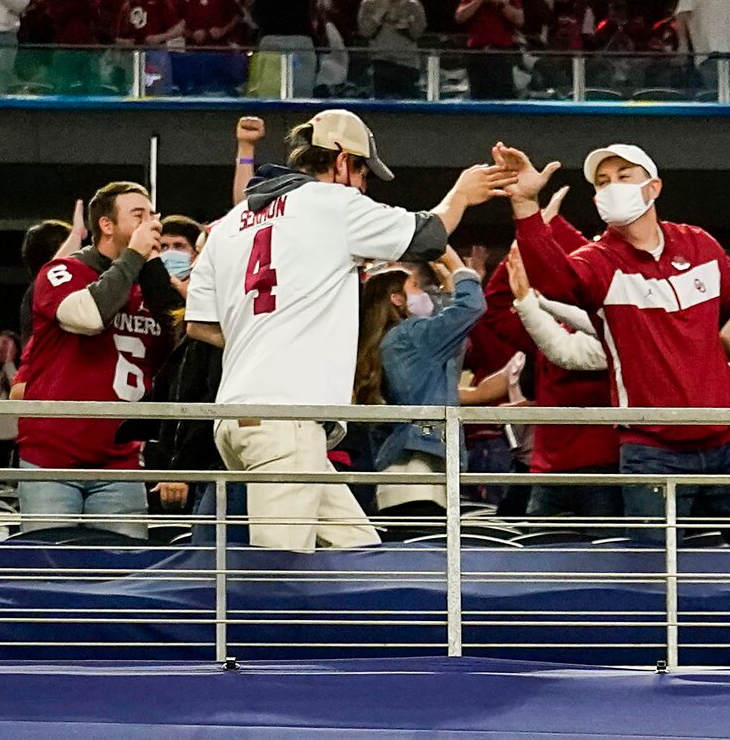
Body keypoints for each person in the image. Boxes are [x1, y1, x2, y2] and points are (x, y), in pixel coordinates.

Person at [498, 140, 730, 529]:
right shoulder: (598, 262)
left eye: (624, 176)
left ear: (653, 187)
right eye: (602, 183)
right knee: (655, 569)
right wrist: (525, 205)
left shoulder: (698, 244)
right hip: (651, 449)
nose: (611, 187)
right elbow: (554, 280)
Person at [183, 110, 506, 549]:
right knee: (279, 572)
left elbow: (201, 325)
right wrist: (462, 195)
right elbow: (427, 237)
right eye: (361, 171)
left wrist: (269, 334)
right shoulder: (330, 203)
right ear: (340, 160)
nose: (364, 185)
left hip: (242, 418)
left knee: (360, 556)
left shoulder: (231, 223)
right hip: (287, 417)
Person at [15, 179, 177, 531]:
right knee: (51, 570)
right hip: (53, 458)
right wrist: (134, 255)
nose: (152, 223)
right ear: (106, 225)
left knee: (119, 575)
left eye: (153, 215)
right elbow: (87, 317)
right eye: (138, 215)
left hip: (120, 461)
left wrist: (156, 275)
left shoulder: (150, 288)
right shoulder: (64, 271)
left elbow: (181, 350)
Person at [350, 253, 489, 518]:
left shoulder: (394, 339)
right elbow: (471, 307)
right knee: (425, 554)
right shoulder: (411, 336)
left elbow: (450, 335)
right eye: (415, 286)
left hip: (402, 471)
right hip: (420, 474)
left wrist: (448, 284)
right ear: (396, 299)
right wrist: (457, 266)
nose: (424, 292)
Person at [499, 240, 620, 523]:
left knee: (607, 558)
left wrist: (538, 301)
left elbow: (601, 332)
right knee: (542, 557)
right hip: (548, 467)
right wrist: (530, 297)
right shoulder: (551, 327)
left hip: (601, 466)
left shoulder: (627, 328)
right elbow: (557, 347)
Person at [355, 0, 427, 97]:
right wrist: (380, 12)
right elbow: (365, 31)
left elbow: (417, 33)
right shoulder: (369, 4)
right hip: (381, 61)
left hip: (407, 63)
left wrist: (405, 19)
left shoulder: (413, 5)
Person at [453, 0, 522, 98]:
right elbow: (460, 17)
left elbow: (519, 20)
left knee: (503, 95)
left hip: (501, 54)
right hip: (477, 54)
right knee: (478, 93)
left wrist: (499, 3)